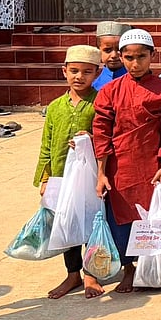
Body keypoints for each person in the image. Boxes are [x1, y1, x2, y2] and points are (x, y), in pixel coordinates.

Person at [92, 29, 161, 294]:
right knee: (122, 218)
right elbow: (101, 131)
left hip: (153, 162)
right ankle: (129, 268)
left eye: (141, 56)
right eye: (129, 57)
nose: (135, 63)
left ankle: (154, 267)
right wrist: (101, 172)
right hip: (120, 165)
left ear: (153, 55)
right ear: (121, 57)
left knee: (153, 216)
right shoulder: (110, 91)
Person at [34, 44, 102, 299]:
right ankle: (72, 273)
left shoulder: (100, 102)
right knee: (66, 224)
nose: (79, 77)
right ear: (64, 71)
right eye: (74, 71)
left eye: (87, 72)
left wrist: (92, 138)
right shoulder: (55, 107)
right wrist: (45, 178)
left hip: (90, 176)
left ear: (97, 73)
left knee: (91, 222)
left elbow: (110, 136)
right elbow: (46, 145)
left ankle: (91, 273)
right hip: (61, 175)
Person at [92, 21, 131, 90]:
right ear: (99, 51)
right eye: (107, 50)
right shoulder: (94, 86)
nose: (114, 55)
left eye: (119, 50)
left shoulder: (136, 82)